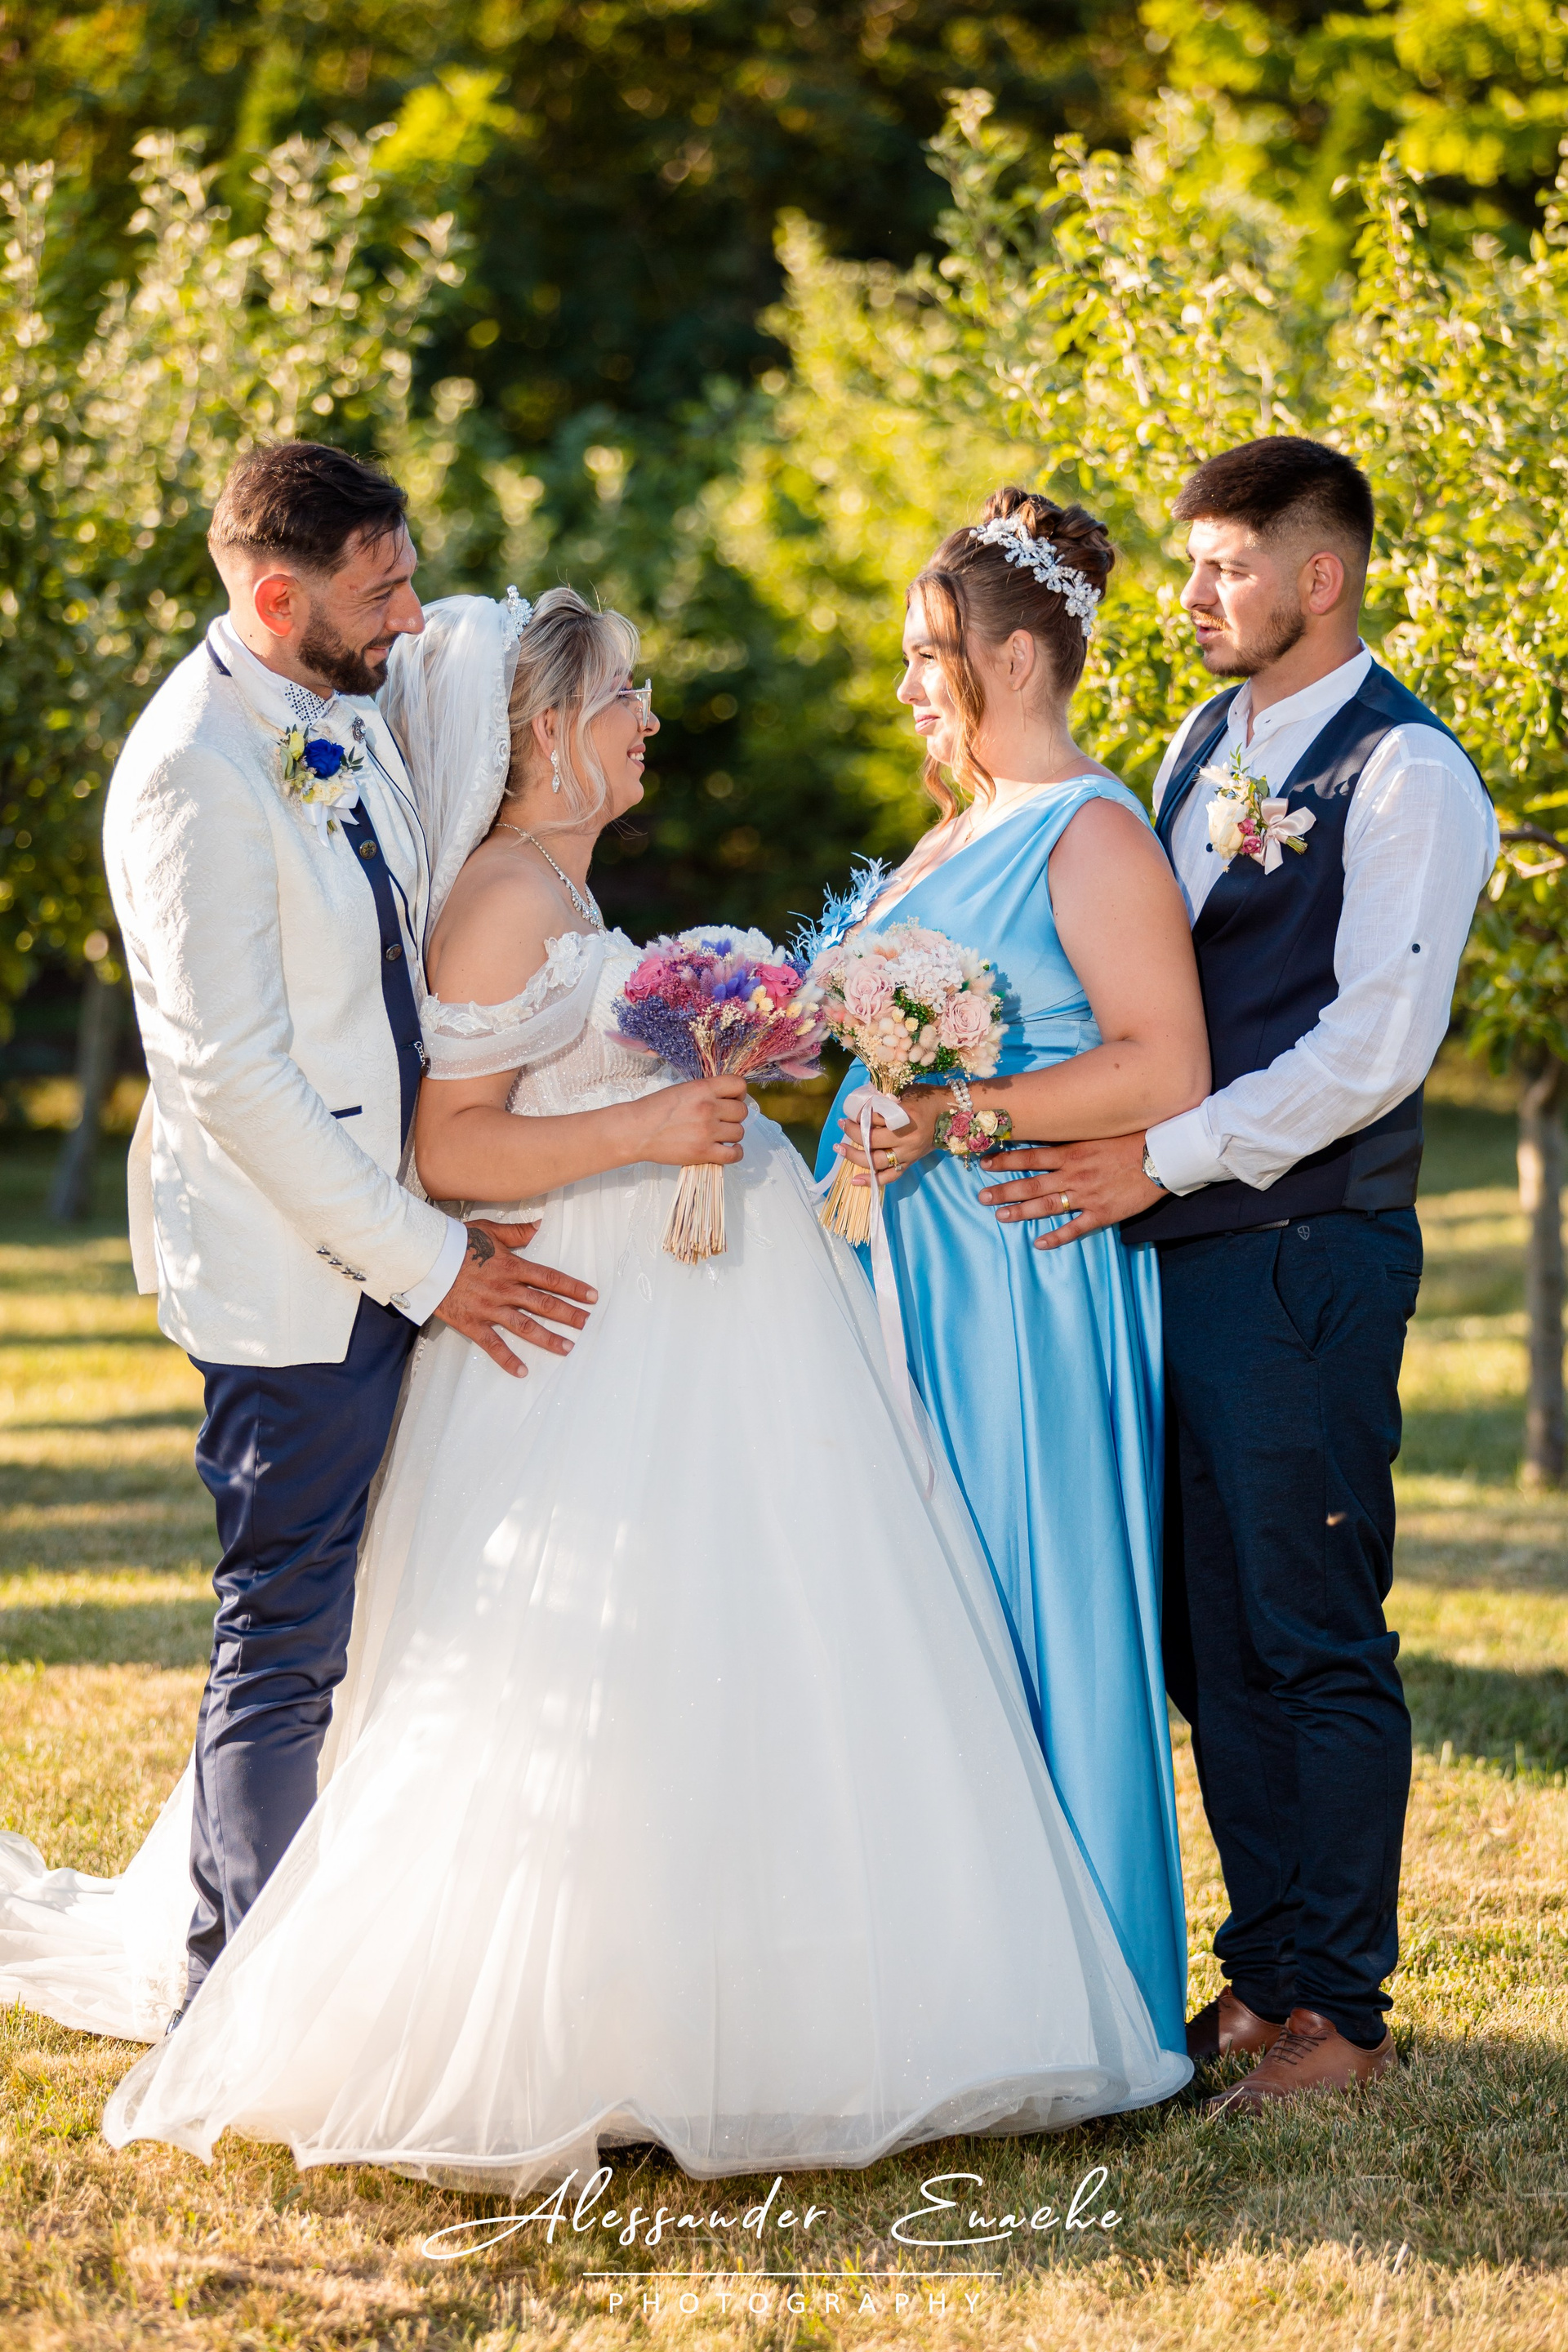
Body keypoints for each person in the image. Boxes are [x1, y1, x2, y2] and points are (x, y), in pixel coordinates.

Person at [85, 585, 1189, 2183]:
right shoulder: (503, 898)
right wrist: (651, 1127)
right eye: (626, 694)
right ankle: (595, 2015)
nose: (650, 718)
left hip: (681, 1316)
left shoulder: (559, 886)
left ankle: (752, 1984)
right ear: (550, 729)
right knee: (603, 1661)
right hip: (589, 1332)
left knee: (743, 1648)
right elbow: (451, 1147)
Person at [0, 444, 594, 2037]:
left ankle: (356, 1945)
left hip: (399, 1225)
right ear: (277, 598)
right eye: (381, 588)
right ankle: (238, 1997)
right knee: (285, 1632)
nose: (411, 614)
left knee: (389, 1612)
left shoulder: (345, 704)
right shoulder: (190, 772)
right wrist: (431, 1263)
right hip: (294, 1271)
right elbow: (236, 1081)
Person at [978, 438, 1499, 2109]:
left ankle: (1344, 2008)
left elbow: (1374, 1047)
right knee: (1211, 1641)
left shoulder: (1409, 775)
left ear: (1318, 576)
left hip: (1305, 1255)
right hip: (1187, 1258)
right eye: (1193, 564)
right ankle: (1268, 1976)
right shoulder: (1207, 741)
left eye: (1225, 567)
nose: (1192, 595)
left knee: (1312, 1628)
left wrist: (1162, 1156)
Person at [817, 488, 1210, 2070]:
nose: (910, 683)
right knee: (913, 1604)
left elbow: (1164, 1066)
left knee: (1026, 1594)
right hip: (903, 1266)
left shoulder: (1090, 829)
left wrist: (956, 1115)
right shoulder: (956, 826)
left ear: (1020, 658)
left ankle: (1079, 1992)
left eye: (933, 653)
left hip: (1021, 1278)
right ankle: (943, 1971)